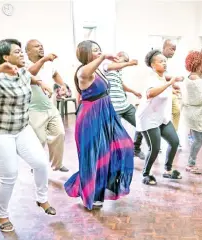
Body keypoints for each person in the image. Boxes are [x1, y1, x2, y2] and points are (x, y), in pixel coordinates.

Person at [0, 39, 56, 232]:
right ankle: (2, 215)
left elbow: (30, 75)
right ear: (6, 57)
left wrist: (43, 84)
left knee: (40, 163)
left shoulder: (22, 72)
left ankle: (41, 199)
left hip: (21, 128)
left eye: (22, 51)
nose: (22, 54)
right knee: (9, 175)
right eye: (18, 52)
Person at [64, 40, 134, 210]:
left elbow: (111, 68)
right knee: (96, 156)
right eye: (94, 50)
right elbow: (86, 72)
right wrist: (103, 56)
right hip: (91, 116)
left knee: (125, 145)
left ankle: (107, 185)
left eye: (99, 49)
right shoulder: (83, 71)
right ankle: (94, 194)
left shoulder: (99, 70)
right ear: (85, 54)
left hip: (105, 113)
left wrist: (126, 62)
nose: (99, 52)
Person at [136, 49, 183, 185]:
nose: (164, 63)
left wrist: (172, 88)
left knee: (174, 142)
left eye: (165, 61)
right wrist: (169, 84)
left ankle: (168, 170)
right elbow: (150, 93)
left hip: (161, 118)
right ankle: (146, 174)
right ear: (152, 65)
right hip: (148, 119)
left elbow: (163, 88)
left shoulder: (162, 77)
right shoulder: (151, 78)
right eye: (160, 61)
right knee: (155, 148)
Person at [25, 39, 68, 172]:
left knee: (59, 133)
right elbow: (30, 74)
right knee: (40, 140)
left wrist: (63, 85)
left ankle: (57, 164)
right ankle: (36, 165)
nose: (41, 48)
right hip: (33, 109)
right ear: (28, 51)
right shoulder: (23, 64)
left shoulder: (49, 65)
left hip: (50, 107)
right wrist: (44, 60)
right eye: (37, 46)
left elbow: (55, 74)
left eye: (42, 46)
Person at [106, 51, 145, 160]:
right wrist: (130, 63)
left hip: (125, 106)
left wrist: (133, 91)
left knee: (142, 123)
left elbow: (121, 85)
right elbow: (112, 66)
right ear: (117, 57)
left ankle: (136, 149)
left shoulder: (118, 72)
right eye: (125, 60)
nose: (125, 64)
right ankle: (115, 157)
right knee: (116, 135)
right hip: (114, 109)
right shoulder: (106, 66)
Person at [182, 51, 202, 174]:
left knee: (199, 138)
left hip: (195, 113)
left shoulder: (195, 76)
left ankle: (192, 162)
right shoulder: (196, 79)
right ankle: (190, 163)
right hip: (196, 114)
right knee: (199, 139)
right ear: (197, 63)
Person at [162, 40, 182, 145]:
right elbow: (160, 76)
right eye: (171, 49)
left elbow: (165, 79)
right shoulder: (158, 58)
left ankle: (173, 136)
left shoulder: (166, 60)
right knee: (159, 117)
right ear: (165, 47)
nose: (173, 52)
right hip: (158, 93)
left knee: (176, 111)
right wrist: (175, 79)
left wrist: (173, 86)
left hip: (168, 92)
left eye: (174, 50)